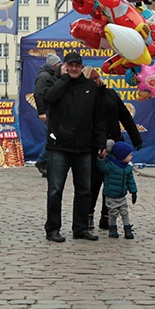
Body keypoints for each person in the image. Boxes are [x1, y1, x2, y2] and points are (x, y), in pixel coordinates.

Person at [41, 51, 106, 242]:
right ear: (65, 66)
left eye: (78, 65)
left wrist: (101, 141)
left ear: (82, 66)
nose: (75, 68)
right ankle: (52, 229)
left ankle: (80, 228)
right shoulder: (57, 83)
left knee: (84, 191)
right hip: (59, 147)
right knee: (55, 190)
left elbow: (98, 117)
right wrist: (63, 79)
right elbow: (49, 98)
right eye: (71, 65)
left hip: (84, 147)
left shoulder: (90, 87)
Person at [87, 68, 143, 230]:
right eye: (91, 79)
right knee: (94, 183)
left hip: (115, 145)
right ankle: (89, 215)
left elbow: (124, 115)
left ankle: (107, 216)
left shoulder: (110, 93)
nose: (95, 81)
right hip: (96, 146)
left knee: (111, 183)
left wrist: (135, 136)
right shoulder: (85, 97)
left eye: (96, 78)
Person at [97, 140, 138, 239]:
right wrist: (101, 158)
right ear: (121, 156)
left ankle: (127, 229)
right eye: (129, 155)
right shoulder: (110, 166)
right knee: (113, 213)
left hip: (122, 196)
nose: (131, 157)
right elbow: (102, 167)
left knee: (125, 212)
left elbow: (130, 181)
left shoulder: (127, 168)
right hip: (111, 196)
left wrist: (133, 191)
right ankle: (113, 229)